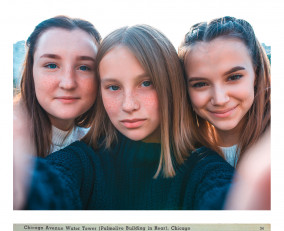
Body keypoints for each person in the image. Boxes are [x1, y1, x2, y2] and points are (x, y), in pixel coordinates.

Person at [14, 24, 234, 210]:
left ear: (171, 86)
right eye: (113, 87)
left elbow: (227, 199)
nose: (128, 105)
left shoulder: (206, 169)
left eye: (146, 83)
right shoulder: (84, 159)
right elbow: (51, 183)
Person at [178, 16, 270, 167]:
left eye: (234, 77)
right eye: (200, 84)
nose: (220, 99)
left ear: (256, 74)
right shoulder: (182, 157)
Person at [15, 15, 101, 157]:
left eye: (84, 68)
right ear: (31, 72)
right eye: (52, 65)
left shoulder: (100, 148)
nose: (68, 83)